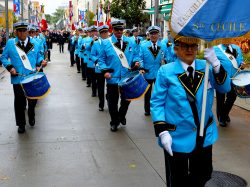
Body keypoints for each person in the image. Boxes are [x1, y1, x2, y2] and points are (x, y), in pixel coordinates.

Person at [150, 36, 231, 186]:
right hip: (176, 136)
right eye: (184, 46)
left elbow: (225, 88)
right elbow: (157, 103)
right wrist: (162, 131)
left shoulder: (206, 66)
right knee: (177, 179)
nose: (189, 49)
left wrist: (216, 64)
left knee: (202, 175)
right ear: (176, 48)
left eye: (193, 46)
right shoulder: (165, 71)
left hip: (204, 134)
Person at [0, 22, 47, 134]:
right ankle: (21, 124)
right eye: (19, 31)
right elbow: (3, 58)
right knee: (19, 102)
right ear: (16, 32)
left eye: (24, 31)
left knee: (32, 101)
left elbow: (38, 57)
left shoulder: (35, 42)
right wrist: (10, 67)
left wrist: (42, 61)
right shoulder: (11, 43)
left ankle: (31, 113)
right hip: (18, 78)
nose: (22, 33)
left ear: (27, 31)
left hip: (32, 77)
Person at [98, 20, 141, 132]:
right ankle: (114, 122)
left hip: (127, 77)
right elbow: (101, 60)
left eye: (121, 29)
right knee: (112, 101)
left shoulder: (130, 42)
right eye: (116, 29)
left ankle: (121, 115)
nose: (119, 31)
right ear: (112, 30)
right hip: (112, 77)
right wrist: (105, 71)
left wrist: (136, 62)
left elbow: (136, 55)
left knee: (126, 100)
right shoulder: (106, 43)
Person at [214, 44, 245, 127]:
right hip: (222, 79)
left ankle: (224, 114)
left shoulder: (237, 48)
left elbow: (240, 61)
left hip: (235, 78)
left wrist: (242, 65)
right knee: (220, 99)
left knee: (232, 97)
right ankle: (221, 119)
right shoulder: (216, 49)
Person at [139, 26, 167, 116]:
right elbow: (140, 58)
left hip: (159, 73)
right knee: (147, 93)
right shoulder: (143, 46)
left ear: (158, 35)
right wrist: (142, 67)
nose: (153, 35)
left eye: (155, 34)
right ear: (149, 35)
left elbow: (166, 57)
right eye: (152, 34)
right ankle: (147, 110)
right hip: (147, 72)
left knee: (160, 92)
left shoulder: (163, 46)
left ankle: (159, 109)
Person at [90, 25, 109, 111]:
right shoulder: (96, 43)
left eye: (106, 32)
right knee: (100, 87)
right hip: (99, 68)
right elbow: (92, 55)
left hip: (110, 68)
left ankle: (110, 101)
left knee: (110, 87)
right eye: (102, 33)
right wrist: (97, 60)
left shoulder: (111, 43)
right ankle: (101, 104)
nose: (104, 34)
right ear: (100, 34)